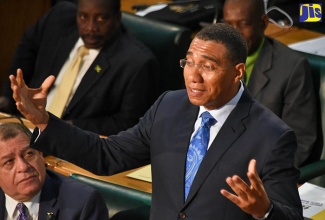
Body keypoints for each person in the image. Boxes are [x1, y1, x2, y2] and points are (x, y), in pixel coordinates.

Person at [10, 23, 303, 219]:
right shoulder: (170, 106)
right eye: (189, 62)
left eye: (208, 66)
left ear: (238, 72)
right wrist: (45, 120)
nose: (193, 75)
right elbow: (108, 156)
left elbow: (290, 214)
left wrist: (265, 211)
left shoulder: (272, 136)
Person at [0, 0, 161, 136]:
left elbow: (127, 122)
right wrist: (7, 97)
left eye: (101, 19)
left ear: (117, 18)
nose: (91, 27)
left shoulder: (136, 62)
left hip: (74, 141)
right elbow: (28, 46)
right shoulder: (58, 18)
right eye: (84, 17)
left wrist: (68, 127)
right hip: (22, 124)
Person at [223, 0, 322, 168]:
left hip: (259, 173)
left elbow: (299, 142)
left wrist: (263, 176)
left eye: (244, 24)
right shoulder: (211, 58)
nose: (235, 34)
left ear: (263, 23)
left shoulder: (291, 68)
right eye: (229, 25)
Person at [0, 122, 108, 220]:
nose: (23, 167)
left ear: (40, 154)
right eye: (9, 161)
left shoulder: (83, 204)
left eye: (29, 154)